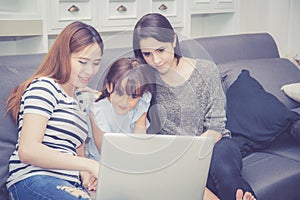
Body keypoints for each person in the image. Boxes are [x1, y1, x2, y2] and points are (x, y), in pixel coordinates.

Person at [133, 13, 256, 200]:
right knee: (198, 184)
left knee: (224, 171)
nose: (156, 60)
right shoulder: (146, 78)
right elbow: (117, 98)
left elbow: (216, 127)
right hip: (172, 156)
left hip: (215, 144)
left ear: (173, 40)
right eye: (147, 54)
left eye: (160, 50)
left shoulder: (205, 70)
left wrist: (191, 155)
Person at [5, 21, 103, 200]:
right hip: (34, 179)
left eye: (96, 63)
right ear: (63, 56)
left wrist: (85, 173)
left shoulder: (78, 99)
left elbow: (74, 147)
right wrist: (89, 164)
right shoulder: (44, 87)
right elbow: (28, 150)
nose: (90, 71)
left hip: (69, 184)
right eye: (83, 62)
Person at [86, 57, 152, 161]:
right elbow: (106, 153)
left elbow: (140, 142)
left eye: (133, 96)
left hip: (131, 159)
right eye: (120, 93)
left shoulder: (141, 102)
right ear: (108, 86)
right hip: (102, 162)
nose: (125, 102)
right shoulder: (98, 111)